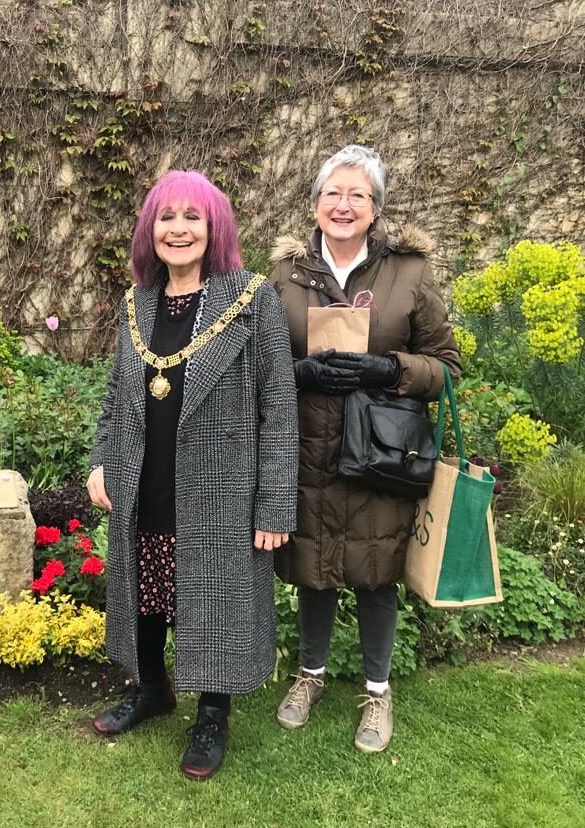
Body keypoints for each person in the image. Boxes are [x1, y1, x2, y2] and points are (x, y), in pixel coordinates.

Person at [86, 170, 298, 780]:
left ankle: (213, 714)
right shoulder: (137, 303)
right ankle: (152, 688)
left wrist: (275, 503)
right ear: (150, 230)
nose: (178, 229)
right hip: (144, 480)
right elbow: (113, 400)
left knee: (215, 602)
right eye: (166, 217)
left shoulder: (250, 298)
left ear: (214, 227)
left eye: (192, 217)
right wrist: (101, 460)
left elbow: (279, 405)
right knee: (148, 591)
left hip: (222, 489)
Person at [268, 144, 461, 752]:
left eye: (358, 195)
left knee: (377, 574)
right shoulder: (286, 276)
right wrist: (299, 374)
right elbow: (259, 361)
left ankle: (378, 692)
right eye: (333, 193)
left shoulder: (409, 273)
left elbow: (446, 368)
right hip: (309, 448)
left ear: (375, 209)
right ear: (316, 204)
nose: (344, 205)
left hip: (381, 450)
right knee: (315, 570)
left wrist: (387, 369)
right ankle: (310, 676)